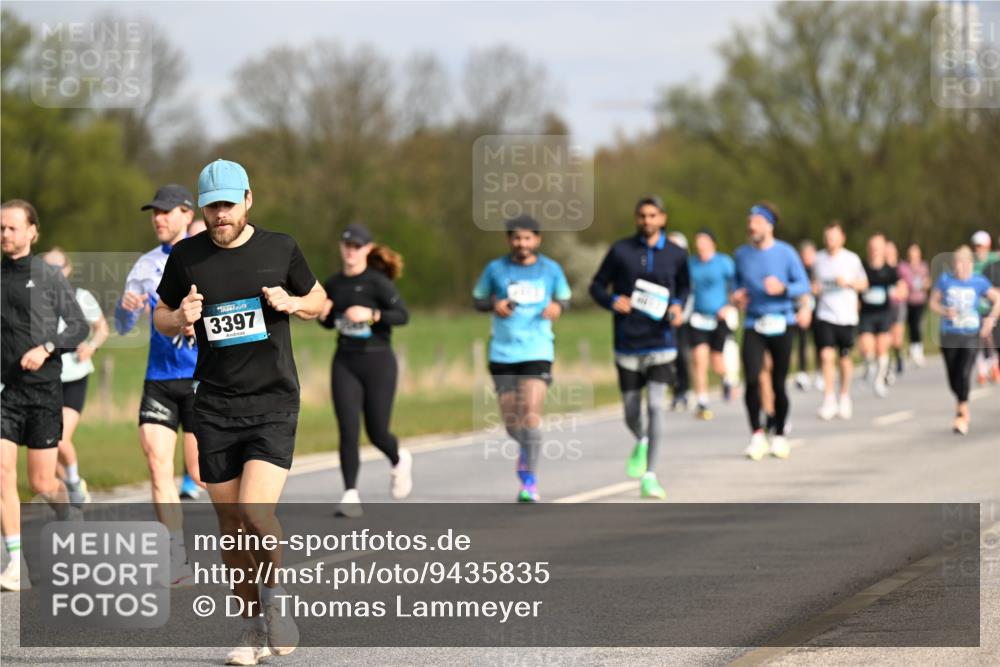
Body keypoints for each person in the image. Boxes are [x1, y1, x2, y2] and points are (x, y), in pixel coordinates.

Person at [154, 159, 326, 664]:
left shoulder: (281, 247)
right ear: (202, 208)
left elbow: (318, 298)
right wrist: (178, 316)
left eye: (228, 204)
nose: (220, 215)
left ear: (248, 199)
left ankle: (277, 604)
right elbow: (161, 315)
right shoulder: (186, 256)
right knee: (231, 525)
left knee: (255, 512)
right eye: (212, 207)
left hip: (273, 400)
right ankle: (252, 631)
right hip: (214, 404)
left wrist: (294, 303)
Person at [115, 184, 202, 586]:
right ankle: (175, 554)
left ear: (187, 214)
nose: (159, 218)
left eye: (166, 211)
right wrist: (125, 309)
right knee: (157, 466)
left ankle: (244, 540)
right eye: (154, 212)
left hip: (203, 379)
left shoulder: (206, 259)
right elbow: (122, 325)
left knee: (202, 476)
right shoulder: (145, 265)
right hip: (160, 380)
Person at [1, 200, 88, 592]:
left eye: (13, 228)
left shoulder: (47, 275)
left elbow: (79, 326)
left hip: (43, 391)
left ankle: (68, 511)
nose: (5, 235)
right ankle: (15, 563)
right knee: (2, 475)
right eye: (1, 228)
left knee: (40, 482)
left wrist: (48, 348)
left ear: (32, 231)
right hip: (7, 392)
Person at [589, 195, 688, 499]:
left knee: (656, 406)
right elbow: (596, 285)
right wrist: (611, 300)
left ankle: (650, 474)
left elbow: (685, 287)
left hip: (661, 342)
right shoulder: (621, 250)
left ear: (663, 218)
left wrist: (678, 307)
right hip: (628, 342)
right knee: (631, 412)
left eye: (653, 215)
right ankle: (642, 439)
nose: (647, 221)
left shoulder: (676, 253)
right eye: (642, 215)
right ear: (636, 219)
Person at [473, 215, 571, 503]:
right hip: (502, 353)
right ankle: (526, 451)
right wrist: (495, 303)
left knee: (530, 414)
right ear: (509, 240)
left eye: (528, 238)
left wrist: (556, 306)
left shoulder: (550, 269)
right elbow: (478, 300)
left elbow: (565, 299)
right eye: (516, 238)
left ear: (537, 240)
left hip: (538, 350)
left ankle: (529, 480)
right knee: (512, 423)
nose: (522, 243)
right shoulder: (495, 269)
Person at [320, 223, 412, 516]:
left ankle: (399, 459)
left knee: (377, 432)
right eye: (347, 244)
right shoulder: (333, 284)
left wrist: (371, 314)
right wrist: (323, 315)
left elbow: (402, 315)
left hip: (378, 362)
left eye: (357, 246)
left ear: (368, 249)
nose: (351, 250)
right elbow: (329, 320)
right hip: (345, 361)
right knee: (348, 429)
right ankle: (350, 494)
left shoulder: (377, 282)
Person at [731, 201, 810, 461]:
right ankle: (756, 434)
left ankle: (778, 434)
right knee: (752, 379)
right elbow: (735, 286)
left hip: (782, 322)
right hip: (754, 322)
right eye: (749, 222)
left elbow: (804, 285)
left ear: (769, 225)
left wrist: (784, 289)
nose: (751, 227)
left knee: (778, 382)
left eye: (755, 222)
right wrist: (736, 297)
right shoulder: (741, 254)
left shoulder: (786, 253)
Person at [43, 248, 109, 505]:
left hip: (74, 375)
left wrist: (91, 346)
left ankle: (72, 481)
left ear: (67, 270)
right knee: (48, 443)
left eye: (57, 268)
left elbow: (101, 328)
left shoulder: (82, 297)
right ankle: (67, 492)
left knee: (59, 438)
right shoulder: (35, 300)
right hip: (46, 378)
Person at [928, 245, 999, 434]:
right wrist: (945, 311)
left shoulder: (979, 281)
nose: (959, 267)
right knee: (953, 377)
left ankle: (962, 412)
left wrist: (990, 321)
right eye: (956, 263)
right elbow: (933, 302)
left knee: (965, 371)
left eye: (963, 263)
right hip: (949, 334)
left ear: (970, 263)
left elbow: (997, 299)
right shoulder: (945, 280)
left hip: (970, 333)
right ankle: (961, 403)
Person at [811, 222, 867, 420]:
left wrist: (849, 283)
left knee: (844, 358)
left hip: (846, 317)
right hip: (825, 314)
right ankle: (829, 399)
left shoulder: (851, 259)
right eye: (827, 237)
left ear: (842, 238)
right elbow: (813, 284)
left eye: (833, 237)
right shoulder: (818, 259)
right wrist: (814, 289)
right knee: (826, 356)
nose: (830, 241)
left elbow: (864, 284)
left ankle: (844, 395)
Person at [686, 228, 736, 420]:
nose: (700, 245)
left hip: (719, 318)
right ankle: (702, 401)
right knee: (699, 360)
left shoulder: (724, 262)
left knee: (716, 362)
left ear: (712, 243)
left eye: (703, 241)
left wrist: (729, 306)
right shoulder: (691, 265)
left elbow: (736, 287)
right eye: (697, 241)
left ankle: (726, 379)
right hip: (698, 318)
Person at [858, 234, 906, 398]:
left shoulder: (889, 270)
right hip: (866, 313)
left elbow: (902, 287)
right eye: (872, 247)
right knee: (866, 347)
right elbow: (856, 284)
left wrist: (899, 292)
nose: (875, 251)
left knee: (881, 347)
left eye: (878, 248)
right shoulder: (862, 267)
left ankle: (879, 380)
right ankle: (869, 368)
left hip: (883, 313)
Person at [667, 231, 693, 411]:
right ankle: (674, 391)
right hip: (663, 319)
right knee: (667, 358)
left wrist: (682, 315)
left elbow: (689, 294)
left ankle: (684, 390)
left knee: (682, 356)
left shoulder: (687, 267)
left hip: (683, 319)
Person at [971, 231, 1000, 384]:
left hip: (991, 306)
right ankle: (982, 370)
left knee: (990, 337)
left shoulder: (994, 259)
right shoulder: (971, 262)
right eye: (976, 246)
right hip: (975, 307)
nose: (979, 249)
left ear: (988, 246)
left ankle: (994, 365)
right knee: (978, 339)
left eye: (981, 246)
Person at [898, 243, 930, 367]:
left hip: (919, 300)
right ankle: (910, 349)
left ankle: (918, 350)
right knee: (908, 326)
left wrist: (925, 285)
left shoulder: (923, 267)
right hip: (906, 300)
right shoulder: (903, 267)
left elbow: (927, 281)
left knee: (917, 325)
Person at [793, 240, 818, 391]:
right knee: (802, 341)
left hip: (818, 310)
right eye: (804, 254)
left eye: (810, 254)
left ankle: (818, 371)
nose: (807, 257)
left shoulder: (819, 269)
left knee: (818, 342)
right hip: (800, 310)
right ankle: (802, 372)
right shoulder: (798, 270)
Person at [885, 241, 907, 382]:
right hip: (884, 307)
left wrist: (898, 292)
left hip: (898, 306)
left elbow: (905, 288)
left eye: (890, 252)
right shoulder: (881, 268)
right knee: (886, 338)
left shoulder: (901, 268)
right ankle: (887, 365)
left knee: (896, 338)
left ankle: (899, 355)